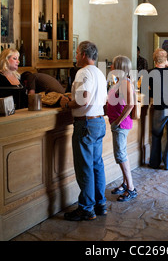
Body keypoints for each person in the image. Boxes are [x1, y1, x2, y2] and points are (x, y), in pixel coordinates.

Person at [60, 41, 107, 221]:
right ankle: (100, 204)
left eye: (77, 52)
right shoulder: (99, 73)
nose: (76, 55)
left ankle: (86, 208)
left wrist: (66, 103)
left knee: (85, 167)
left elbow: (83, 100)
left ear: (84, 55)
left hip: (85, 124)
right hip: (98, 121)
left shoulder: (83, 72)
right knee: (96, 165)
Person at [107, 55, 138, 202]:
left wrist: (118, 121)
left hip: (121, 125)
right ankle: (125, 184)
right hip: (118, 123)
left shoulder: (125, 83)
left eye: (113, 65)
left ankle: (131, 188)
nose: (111, 67)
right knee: (121, 154)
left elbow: (130, 104)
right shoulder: (119, 82)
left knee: (121, 155)